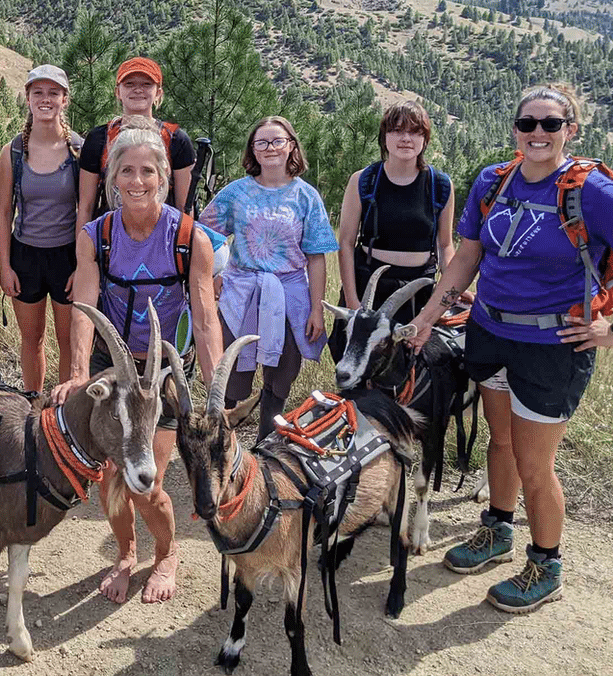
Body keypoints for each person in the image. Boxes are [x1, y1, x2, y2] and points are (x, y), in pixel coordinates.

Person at [410, 84, 613, 614]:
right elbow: (467, 256)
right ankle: (498, 527)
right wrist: (427, 317)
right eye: (529, 123)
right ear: (515, 128)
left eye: (551, 124)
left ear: (570, 130)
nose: (539, 132)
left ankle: (546, 562)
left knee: (536, 464)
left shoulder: (592, 193)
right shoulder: (494, 180)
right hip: (490, 331)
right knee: (502, 442)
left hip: (552, 345)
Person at [52, 116, 223, 604]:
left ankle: (165, 555)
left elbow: (207, 320)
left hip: (164, 371)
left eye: (149, 171)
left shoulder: (190, 238)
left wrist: (214, 399)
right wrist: (79, 373)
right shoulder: (96, 235)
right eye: (126, 171)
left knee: (146, 482)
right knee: (109, 478)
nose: (138, 181)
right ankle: (126, 553)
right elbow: (84, 306)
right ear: (112, 180)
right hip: (113, 365)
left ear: (165, 179)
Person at [199, 116, 338, 440]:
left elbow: (316, 257)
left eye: (278, 141)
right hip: (240, 294)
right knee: (230, 375)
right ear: (253, 149)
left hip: (290, 297)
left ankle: (265, 450)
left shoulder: (306, 197)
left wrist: (317, 309)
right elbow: (203, 237)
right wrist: (215, 274)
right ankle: (220, 444)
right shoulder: (236, 193)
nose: (270, 147)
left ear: (291, 145)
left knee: (279, 378)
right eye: (262, 142)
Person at [328, 101, 459, 363]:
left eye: (415, 131)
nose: (405, 138)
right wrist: (353, 303)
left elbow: (445, 246)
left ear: (425, 139)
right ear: (385, 136)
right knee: (357, 366)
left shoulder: (440, 185)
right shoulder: (363, 180)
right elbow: (345, 243)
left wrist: (448, 297)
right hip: (369, 289)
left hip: (417, 291)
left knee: (411, 365)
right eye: (397, 130)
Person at [0, 65, 81, 393]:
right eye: (38, 93)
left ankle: (63, 412)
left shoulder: (78, 150)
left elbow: (85, 213)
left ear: (64, 100)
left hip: (67, 257)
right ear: (28, 98)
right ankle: (33, 403)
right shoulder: (14, 151)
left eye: (53, 93)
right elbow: (3, 213)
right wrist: (5, 267)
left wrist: (82, 268)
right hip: (25, 255)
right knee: (32, 339)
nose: (45, 99)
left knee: (68, 341)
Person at [76, 56, 195, 227]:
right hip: (110, 238)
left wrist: (186, 247)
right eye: (129, 84)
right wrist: (82, 250)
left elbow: (184, 206)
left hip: (162, 237)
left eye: (147, 84)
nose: (138, 90)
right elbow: (86, 206)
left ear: (159, 93)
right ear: (118, 92)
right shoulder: (98, 139)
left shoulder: (176, 140)